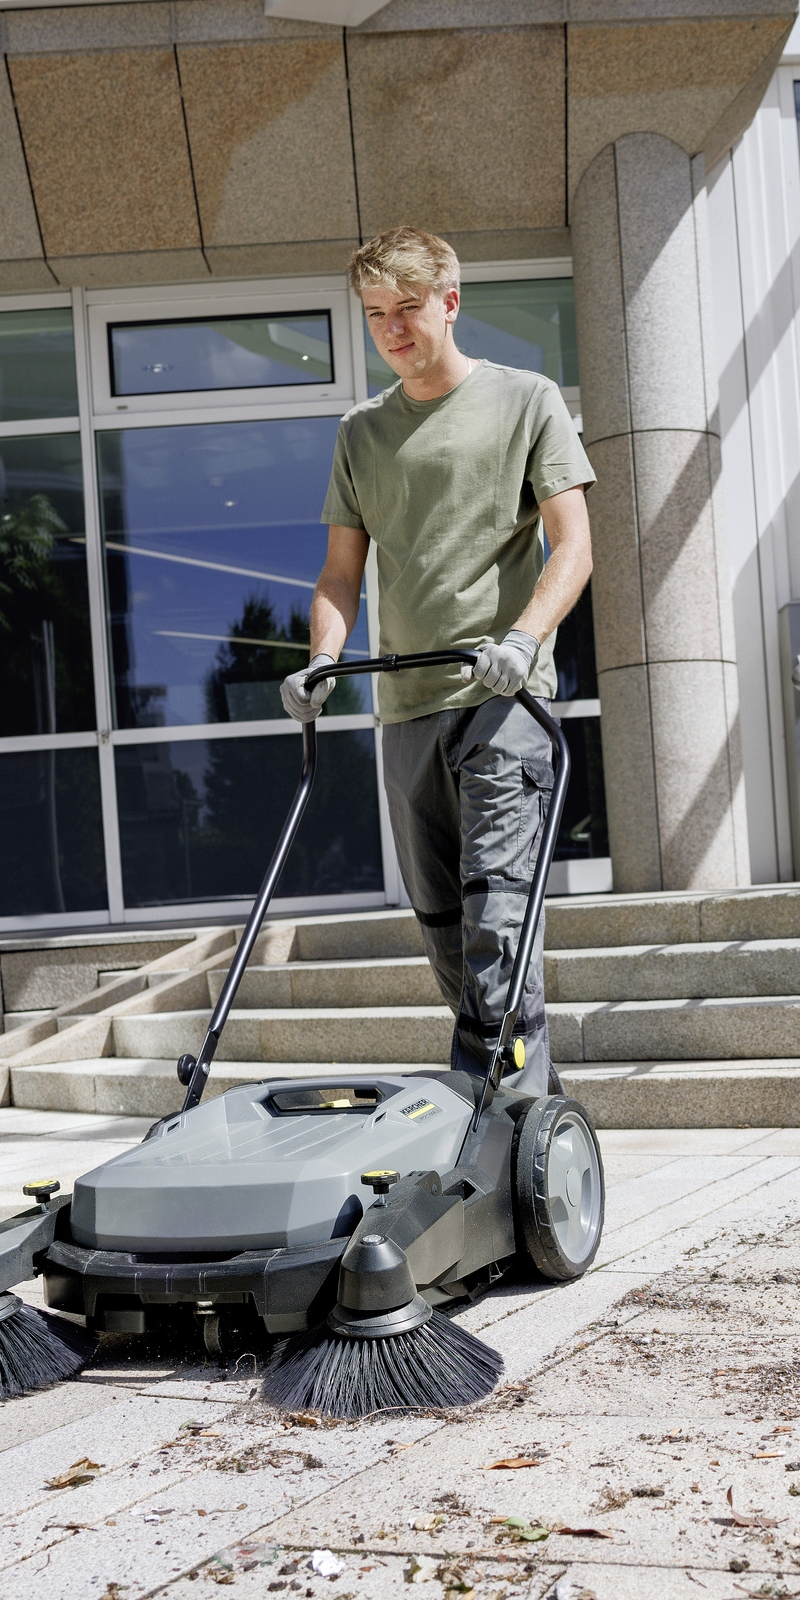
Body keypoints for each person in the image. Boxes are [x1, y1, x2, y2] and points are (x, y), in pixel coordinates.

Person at [285, 226, 594, 1092]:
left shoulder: (526, 400)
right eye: (376, 315)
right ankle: (514, 1098)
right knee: (444, 924)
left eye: (408, 310)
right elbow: (341, 574)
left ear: (451, 303)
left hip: (504, 698)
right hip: (405, 707)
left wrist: (526, 639)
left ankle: (506, 1102)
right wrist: (321, 659)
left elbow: (572, 546)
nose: (392, 331)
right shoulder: (361, 434)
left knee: (499, 909)